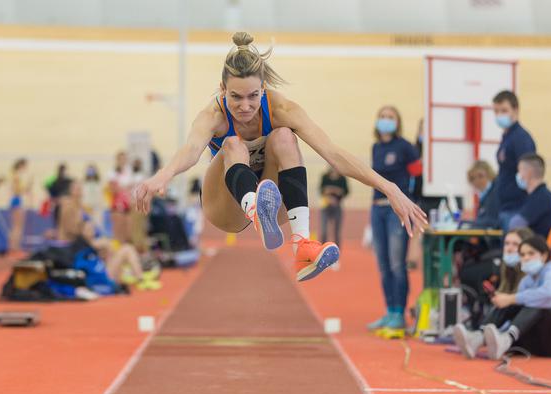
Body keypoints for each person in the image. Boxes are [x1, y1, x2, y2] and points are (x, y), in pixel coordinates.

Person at [133, 32, 426, 282]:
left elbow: (334, 154)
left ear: (263, 89)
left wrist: (389, 187)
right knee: (233, 144)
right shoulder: (214, 115)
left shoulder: (281, 109)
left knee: (284, 136)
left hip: (274, 201)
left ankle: (301, 246)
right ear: (223, 90)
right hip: (227, 206)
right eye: (235, 97)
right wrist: (163, 175)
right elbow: (191, 151)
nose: (245, 106)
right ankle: (254, 209)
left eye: (252, 96)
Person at [455, 235, 551, 360]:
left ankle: (506, 339)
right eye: (522, 255)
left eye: (531, 253)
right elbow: (520, 313)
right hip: (542, 341)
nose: (526, 258)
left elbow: (548, 296)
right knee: (512, 303)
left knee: (534, 303)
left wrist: (511, 298)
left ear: (544, 256)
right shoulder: (526, 281)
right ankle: (478, 338)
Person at [367, 106, 423, 331]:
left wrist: (413, 204)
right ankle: (389, 311)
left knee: (397, 263)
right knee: (383, 265)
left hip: (396, 211)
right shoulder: (376, 148)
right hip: (377, 209)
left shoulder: (405, 147)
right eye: (382, 116)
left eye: (390, 117)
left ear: (397, 122)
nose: (385, 120)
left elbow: (418, 175)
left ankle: (399, 313)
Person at [57, 180, 159, 289]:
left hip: (86, 248)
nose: (80, 190)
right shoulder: (68, 206)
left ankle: (132, 273)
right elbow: (71, 231)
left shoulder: (80, 206)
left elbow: (87, 229)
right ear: (70, 191)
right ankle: (138, 277)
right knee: (122, 248)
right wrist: (91, 240)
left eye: (80, 187)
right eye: (77, 188)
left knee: (113, 246)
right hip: (76, 250)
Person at [455, 227, 533, 352]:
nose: (509, 248)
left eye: (515, 244)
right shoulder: (507, 267)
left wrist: (508, 299)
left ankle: (483, 336)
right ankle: (478, 336)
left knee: (509, 302)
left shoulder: (532, 271)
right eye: (507, 244)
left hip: (535, 327)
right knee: (502, 302)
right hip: (518, 324)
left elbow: (533, 304)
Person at [492, 90, 537, 232]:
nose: (499, 115)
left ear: (515, 110)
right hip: (505, 205)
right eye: (496, 111)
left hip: (517, 206)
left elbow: (530, 171)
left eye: (504, 110)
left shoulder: (520, 138)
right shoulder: (507, 137)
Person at [508, 154, 551, 240]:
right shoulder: (540, 195)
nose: (518, 175)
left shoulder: (541, 197)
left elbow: (516, 223)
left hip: (535, 246)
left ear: (529, 172)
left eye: (519, 171)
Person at [464, 160, 499, 229]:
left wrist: (470, 224)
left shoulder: (495, 193)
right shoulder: (484, 195)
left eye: (480, 176)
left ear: (489, 174)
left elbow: (492, 220)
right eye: (472, 178)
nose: (477, 181)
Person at [320, 166, 349, 249]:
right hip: (325, 206)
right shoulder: (325, 177)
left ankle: (337, 253)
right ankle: (322, 250)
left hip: (337, 206)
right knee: (323, 231)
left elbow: (346, 191)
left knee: (336, 232)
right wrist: (329, 197)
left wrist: (334, 191)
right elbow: (322, 190)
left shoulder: (342, 179)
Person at [108, 150, 132, 243]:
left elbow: (131, 187)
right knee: (118, 228)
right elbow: (113, 189)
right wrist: (123, 189)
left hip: (128, 203)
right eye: (121, 159)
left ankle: (126, 246)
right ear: (117, 160)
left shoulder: (128, 172)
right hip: (117, 203)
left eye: (124, 159)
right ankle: (119, 247)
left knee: (128, 230)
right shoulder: (112, 173)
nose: (123, 161)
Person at [9, 158, 32, 251]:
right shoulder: (17, 176)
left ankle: (14, 246)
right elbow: (18, 190)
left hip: (16, 200)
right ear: (21, 166)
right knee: (18, 226)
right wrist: (28, 186)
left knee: (16, 226)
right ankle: (14, 246)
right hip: (17, 200)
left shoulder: (14, 175)